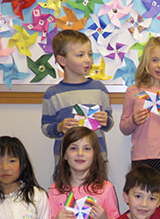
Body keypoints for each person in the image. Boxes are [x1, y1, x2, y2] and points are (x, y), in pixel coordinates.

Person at [41, 30, 113, 165]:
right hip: (66, 163)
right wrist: (59, 127)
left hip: (96, 161)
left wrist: (106, 120)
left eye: (90, 54)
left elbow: (109, 122)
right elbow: (46, 127)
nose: (88, 60)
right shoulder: (53, 94)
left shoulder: (99, 89)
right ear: (62, 60)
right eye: (80, 55)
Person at [119, 36, 160, 184]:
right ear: (146, 62)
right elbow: (124, 128)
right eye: (155, 60)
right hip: (142, 155)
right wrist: (133, 120)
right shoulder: (133, 91)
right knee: (143, 198)